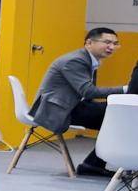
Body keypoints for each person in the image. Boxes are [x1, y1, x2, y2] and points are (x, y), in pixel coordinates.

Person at [29, 27, 132, 177]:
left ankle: (93, 164)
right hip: (57, 110)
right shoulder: (75, 61)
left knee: (118, 117)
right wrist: (125, 89)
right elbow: (88, 91)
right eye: (107, 42)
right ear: (89, 43)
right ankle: (92, 164)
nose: (111, 47)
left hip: (70, 105)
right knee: (120, 118)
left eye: (115, 44)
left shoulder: (86, 59)